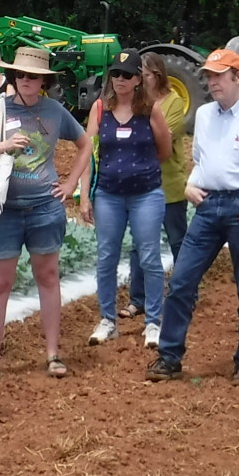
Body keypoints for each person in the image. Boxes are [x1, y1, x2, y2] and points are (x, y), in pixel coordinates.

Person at [146, 49, 239, 388]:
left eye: (218, 76)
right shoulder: (206, 115)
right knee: (181, 282)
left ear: (238, 77)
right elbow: (202, 158)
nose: (211, 82)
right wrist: (194, 183)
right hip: (208, 206)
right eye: (208, 76)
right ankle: (169, 355)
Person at [0, 46, 88, 379]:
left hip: (44, 209)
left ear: (44, 80)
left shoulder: (55, 111)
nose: (25, 81)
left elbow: (85, 144)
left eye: (32, 76)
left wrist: (70, 184)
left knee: (47, 278)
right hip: (2, 210)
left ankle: (52, 355)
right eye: (20, 75)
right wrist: (3, 145)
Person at [78, 51, 172, 347]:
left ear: (137, 80)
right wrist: (84, 196)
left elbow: (165, 149)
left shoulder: (150, 110)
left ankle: (154, 322)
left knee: (149, 256)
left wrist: (139, 169)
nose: (120, 79)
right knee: (106, 256)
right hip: (108, 194)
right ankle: (107, 319)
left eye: (127, 75)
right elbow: (88, 154)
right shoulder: (99, 109)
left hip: (145, 194)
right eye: (116, 74)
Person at [126, 51, 193, 342]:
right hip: (141, 183)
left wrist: (133, 138)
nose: (141, 79)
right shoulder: (136, 103)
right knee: (140, 245)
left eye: (145, 74)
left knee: (178, 240)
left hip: (169, 183)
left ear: (156, 74)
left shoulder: (174, 102)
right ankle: (137, 299)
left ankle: (186, 294)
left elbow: (164, 135)